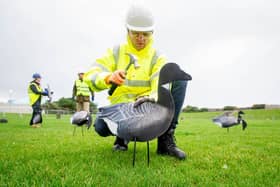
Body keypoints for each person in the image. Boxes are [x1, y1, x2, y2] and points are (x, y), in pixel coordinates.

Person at [84, 5, 189, 160]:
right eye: (136, 34)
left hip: (144, 108)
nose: (141, 39)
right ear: (127, 31)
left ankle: (165, 140)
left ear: (152, 32)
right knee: (101, 127)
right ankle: (121, 138)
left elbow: (158, 84)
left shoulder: (157, 57)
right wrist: (107, 77)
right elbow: (90, 75)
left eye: (145, 34)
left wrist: (149, 98)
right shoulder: (116, 52)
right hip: (120, 109)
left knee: (179, 79)